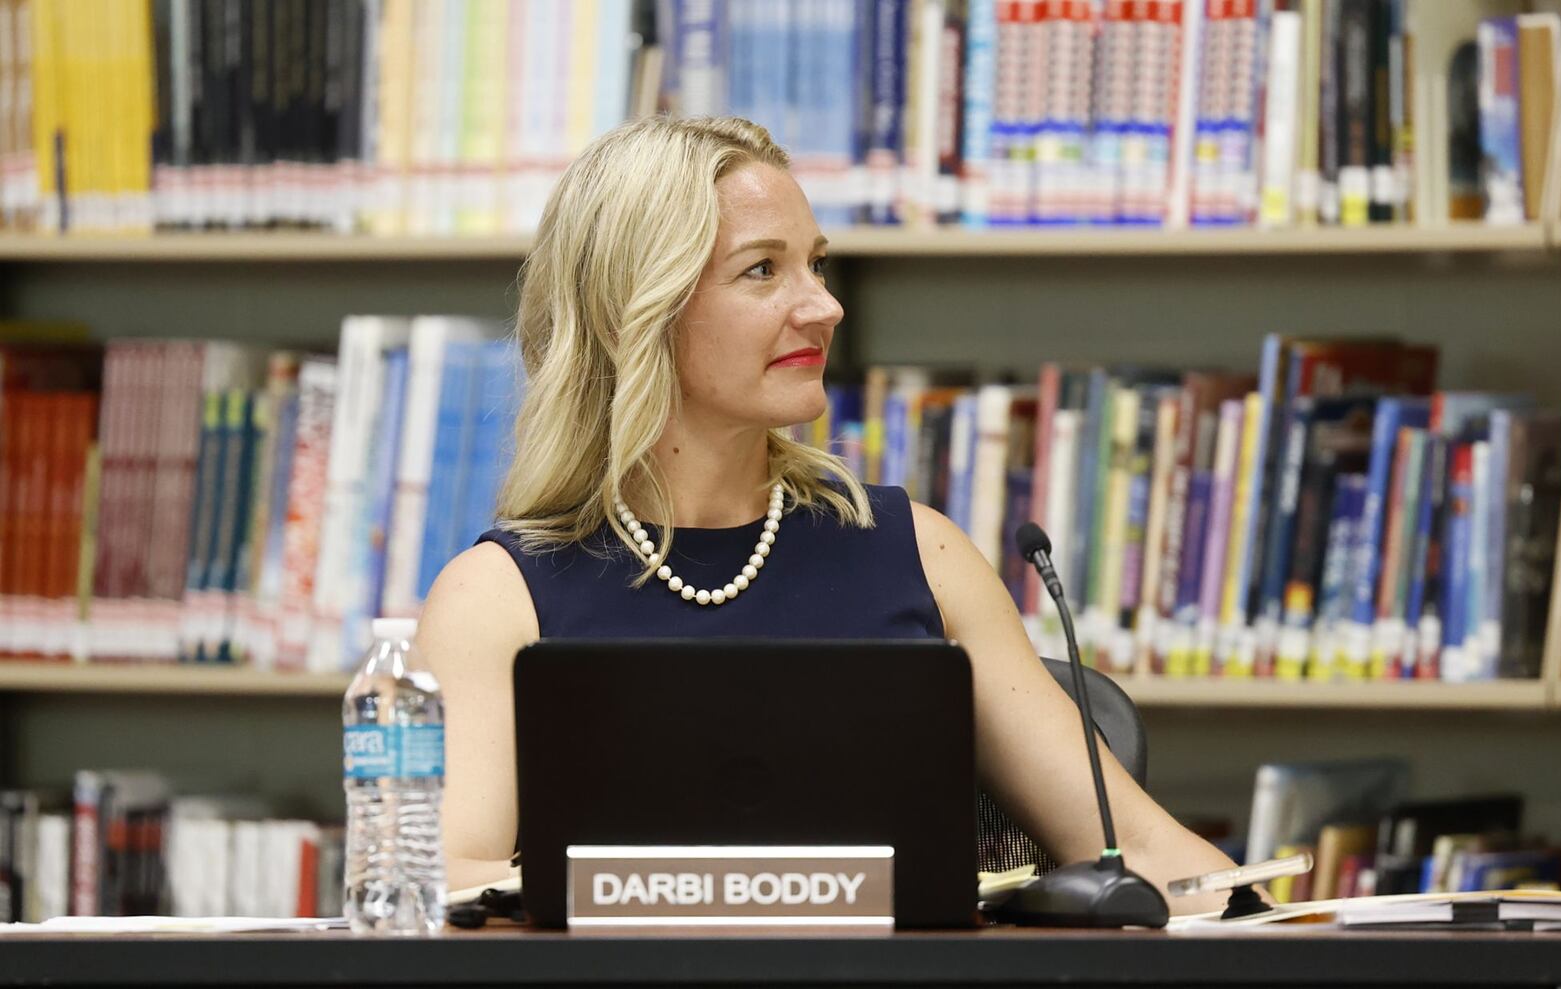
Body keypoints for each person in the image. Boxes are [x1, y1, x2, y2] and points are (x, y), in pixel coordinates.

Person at [418, 115, 1239, 914]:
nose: (825, 306)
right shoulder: (496, 597)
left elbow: (1139, 852)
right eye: (763, 271)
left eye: (816, 264)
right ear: (634, 310)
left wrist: (1302, 931)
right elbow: (453, 889)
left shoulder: (921, 551)